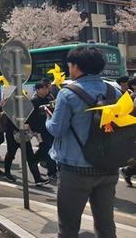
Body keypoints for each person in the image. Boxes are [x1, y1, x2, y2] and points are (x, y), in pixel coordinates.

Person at [46, 46, 120, 237]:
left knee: (69, 227)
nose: (69, 69)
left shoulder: (67, 94)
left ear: (76, 67)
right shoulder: (115, 92)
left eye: (70, 65)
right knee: (106, 226)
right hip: (108, 167)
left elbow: (57, 129)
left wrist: (48, 118)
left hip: (75, 169)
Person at [29, 81, 58, 182]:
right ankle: (51, 172)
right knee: (48, 149)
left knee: (48, 149)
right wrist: (35, 131)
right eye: (44, 88)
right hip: (41, 130)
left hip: (50, 127)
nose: (46, 90)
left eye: (47, 88)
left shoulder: (49, 98)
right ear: (38, 89)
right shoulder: (34, 101)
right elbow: (30, 118)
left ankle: (35, 160)